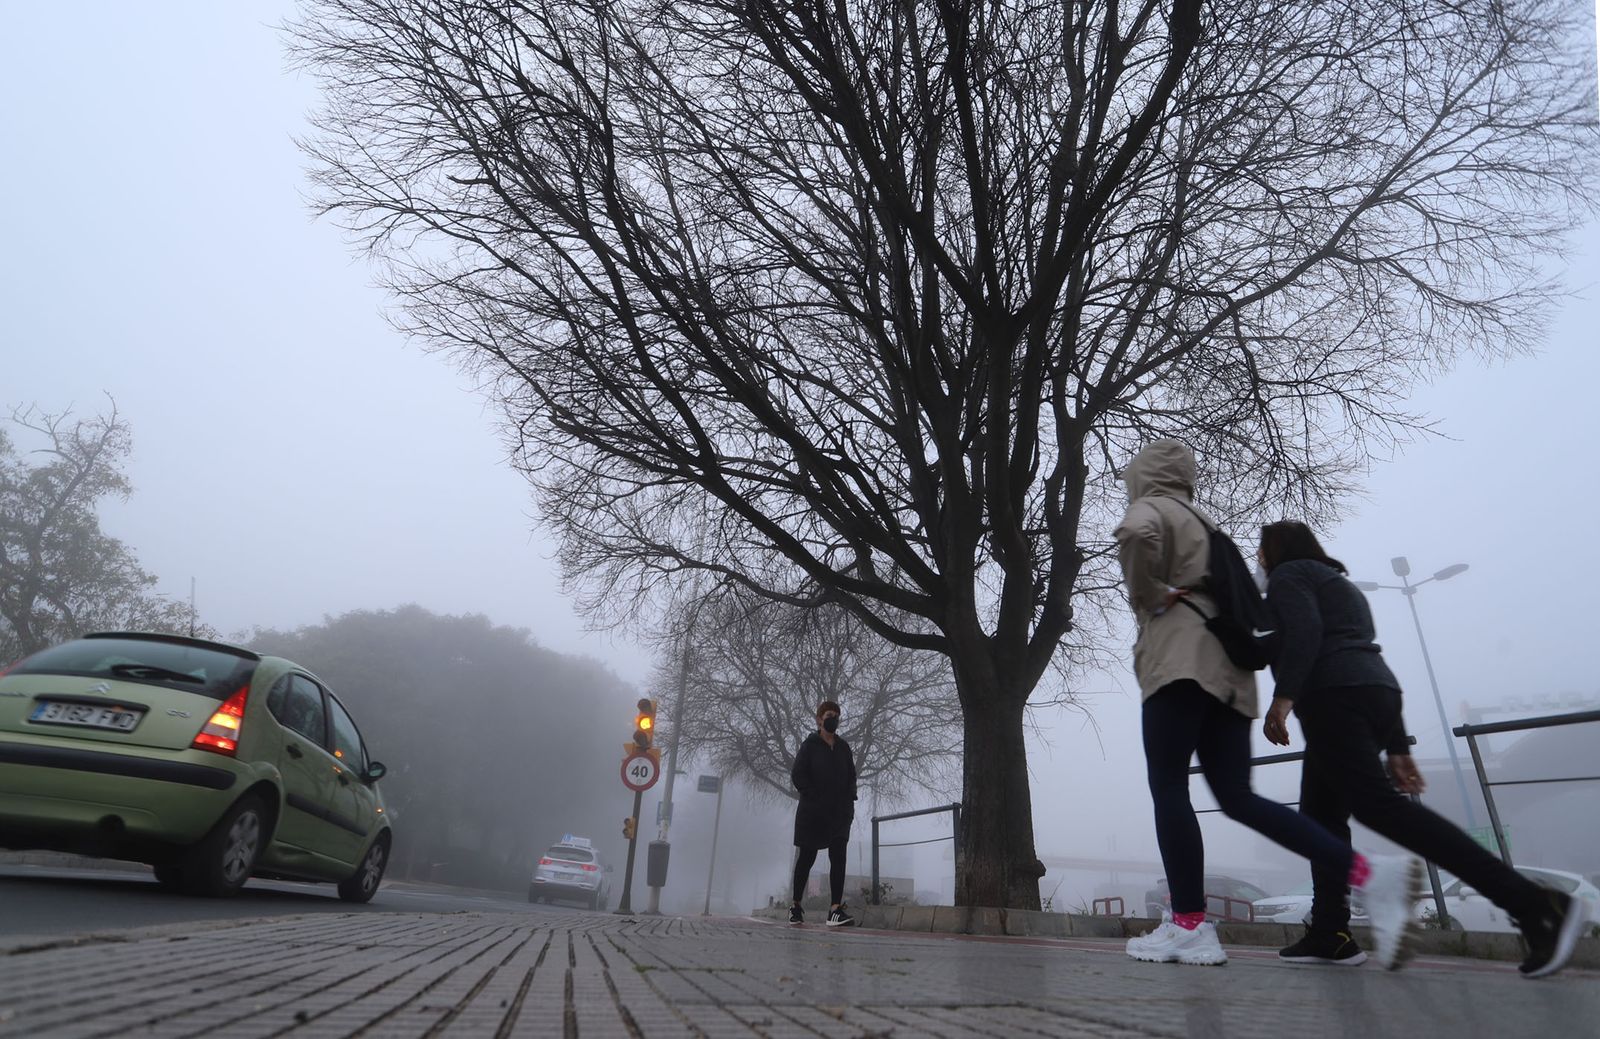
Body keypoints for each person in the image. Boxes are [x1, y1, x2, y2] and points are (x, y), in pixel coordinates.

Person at [1114, 440, 1418, 967]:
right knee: (1237, 796)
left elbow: (1136, 535)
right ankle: (1369, 874)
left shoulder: (1153, 506)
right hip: (1231, 675)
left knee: (1168, 785)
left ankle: (1189, 923)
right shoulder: (1206, 524)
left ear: (1145, 474)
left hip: (1180, 660)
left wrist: (1151, 593)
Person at [1258, 520, 1591, 978]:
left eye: (1262, 552)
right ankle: (1331, 932)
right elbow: (1363, 653)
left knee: (1378, 808)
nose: (1259, 560)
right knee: (1320, 818)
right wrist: (1396, 744)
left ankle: (1536, 906)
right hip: (1375, 691)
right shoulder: (1341, 584)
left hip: (1334, 695)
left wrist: (1283, 697)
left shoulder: (1289, 575)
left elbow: (1305, 632)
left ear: (1274, 551)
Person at [789, 700, 858, 927]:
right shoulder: (809, 746)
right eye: (829, 715)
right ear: (819, 719)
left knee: (838, 857)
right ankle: (796, 905)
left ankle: (835, 910)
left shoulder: (843, 748)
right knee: (806, 858)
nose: (833, 719)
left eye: (837, 715)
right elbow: (798, 775)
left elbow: (851, 778)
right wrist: (813, 798)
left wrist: (849, 804)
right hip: (813, 814)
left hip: (839, 815)